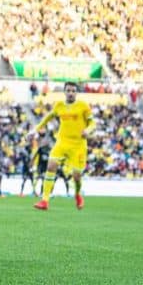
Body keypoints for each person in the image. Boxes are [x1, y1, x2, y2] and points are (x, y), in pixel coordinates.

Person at [33, 82, 95, 211]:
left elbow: (92, 123)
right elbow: (47, 118)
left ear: (76, 92)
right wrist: (35, 130)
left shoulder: (83, 106)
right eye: (68, 90)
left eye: (73, 91)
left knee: (76, 176)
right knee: (51, 166)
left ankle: (77, 195)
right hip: (62, 142)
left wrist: (88, 131)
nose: (71, 93)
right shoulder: (59, 105)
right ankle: (45, 200)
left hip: (78, 145)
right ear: (65, 92)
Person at [33, 132, 51, 197]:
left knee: (44, 179)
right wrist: (31, 162)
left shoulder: (50, 150)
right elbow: (35, 155)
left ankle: (41, 192)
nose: (47, 142)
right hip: (40, 166)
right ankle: (35, 190)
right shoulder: (41, 149)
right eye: (47, 141)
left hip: (46, 166)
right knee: (39, 178)